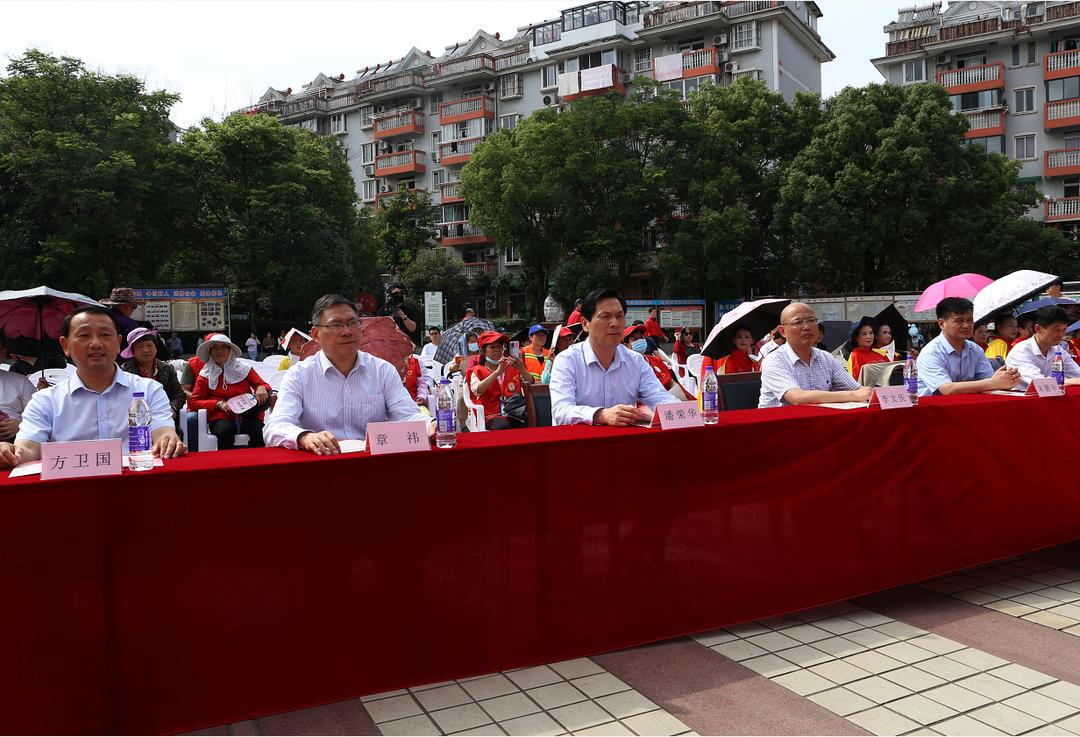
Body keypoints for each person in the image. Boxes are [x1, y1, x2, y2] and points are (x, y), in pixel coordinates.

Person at [0, 306, 185, 468]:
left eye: (105, 335)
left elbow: (163, 433)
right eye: (84, 335)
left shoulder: (149, 390)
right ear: (65, 345)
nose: (96, 343)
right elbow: (27, 449)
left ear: (118, 343)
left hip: (135, 483)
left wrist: (168, 439)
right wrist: (8, 452)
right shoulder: (45, 400)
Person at [263, 295, 432, 454]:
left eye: (353, 323)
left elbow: (408, 416)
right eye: (336, 325)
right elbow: (275, 426)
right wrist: (305, 437)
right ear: (315, 335)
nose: (347, 331)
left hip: (371, 463)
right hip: (322, 463)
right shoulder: (300, 375)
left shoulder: (382, 371)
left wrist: (431, 425)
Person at [549, 288, 677, 425]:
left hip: (622, 443)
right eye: (605, 316)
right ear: (585, 324)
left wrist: (684, 412)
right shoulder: (567, 361)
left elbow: (661, 398)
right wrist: (601, 415)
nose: (615, 323)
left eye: (619, 316)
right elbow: (561, 412)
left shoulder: (636, 361)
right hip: (579, 443)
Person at [758, 303, 874, 409]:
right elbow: (798, 398)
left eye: (811, 320)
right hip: (780, 426)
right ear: (782, 331)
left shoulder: (826, 358)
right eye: (798, 322)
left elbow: (858, 390)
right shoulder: (774, 360)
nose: (807, 327)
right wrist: (853, 395)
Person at [916, 297, 1020, 397]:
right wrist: (993, 382)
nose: (966, 325)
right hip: (933, 410)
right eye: (959, 321)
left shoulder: (975, 349)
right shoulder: (931, 353)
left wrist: (1005, 380)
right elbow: (946, 389)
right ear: (942, 323)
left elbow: (989, 382)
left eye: (970, 320)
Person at [188, 335, 271, 450]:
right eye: (215, 348)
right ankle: (228, 465)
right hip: (221, 416)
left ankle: (257, 464)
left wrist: (261, 388)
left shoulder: (244, 368)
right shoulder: (205, 374)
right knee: (224, 431)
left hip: (247, 414)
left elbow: (264, 385)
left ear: (230, 350)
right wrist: (218, 403)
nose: (219, 351)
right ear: (210, 352)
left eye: (223, 347)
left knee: (258, 430)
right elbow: (194, 402)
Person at [1005, 306, 1080, 390]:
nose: (1061, 335)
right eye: (1057, 330)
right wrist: (1072, 381)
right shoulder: (1021, 351)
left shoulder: (1057, 349)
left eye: (1064, 329)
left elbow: (1077, 373)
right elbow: (1039, 382)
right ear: (1038, 329)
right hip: (1021, 399)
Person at [467, 331, 530, 430]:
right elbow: (477, 390)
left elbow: (530, 382)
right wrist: (497, 373)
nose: (496, 350)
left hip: (514, 411)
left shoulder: (512, 366)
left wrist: (521, 368)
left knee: (530, 421)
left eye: (499, 347)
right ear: (483, 351)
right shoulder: (478, 370)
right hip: (490, 415)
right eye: (492, 347)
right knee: (504, 426)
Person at [120, 327, 185, 422]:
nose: (146, 350)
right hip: (135, 421)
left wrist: (173, 408)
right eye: (140, 347)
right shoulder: (125, 370)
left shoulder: (167, 368)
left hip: (164, 418)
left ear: (156, 348)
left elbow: (179, 395)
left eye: (149, 345)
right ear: (133, 352)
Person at [0, 341, 35, 443]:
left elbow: (39, 417)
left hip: (16, 441)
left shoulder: (20, 381)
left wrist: (20, 426)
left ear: (3, 353)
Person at [624, 325, 677, 391]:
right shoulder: (624, 368)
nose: (640, 341)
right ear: (626, 345)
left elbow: (672, 382)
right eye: (635, 339)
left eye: (641, 337)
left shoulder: (656, 360)